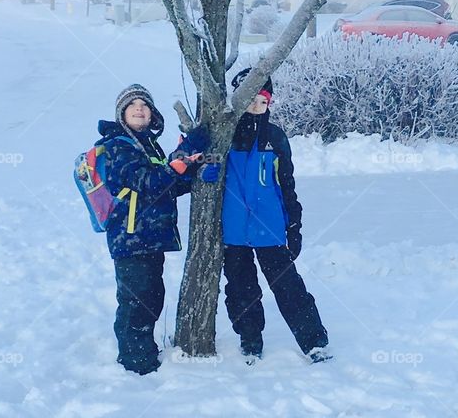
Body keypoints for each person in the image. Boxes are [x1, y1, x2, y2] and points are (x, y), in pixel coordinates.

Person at [216, 68, 330, 363]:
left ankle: (313, 341)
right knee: (241, 289)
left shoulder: (275, 138)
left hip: (271, 229)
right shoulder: (224, 137)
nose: (256, 106)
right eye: (250, 99)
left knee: (288, 286)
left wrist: (294, 226)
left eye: (263, 100)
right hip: (233, 231)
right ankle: (250, 339)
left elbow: (287, 187)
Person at [98, 83, 209, 375]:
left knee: (150, 297)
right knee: (136, 301)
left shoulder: (149, 146)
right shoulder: (117, 146)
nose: (139, 109)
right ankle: (135, 364)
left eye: (144, 105)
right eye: (132, 104)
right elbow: (148, 183)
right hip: (130, 238)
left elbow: (166, 185)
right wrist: (182, 159)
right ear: (122, 113)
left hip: (150, 238)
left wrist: (191, 167)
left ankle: (142, 352)